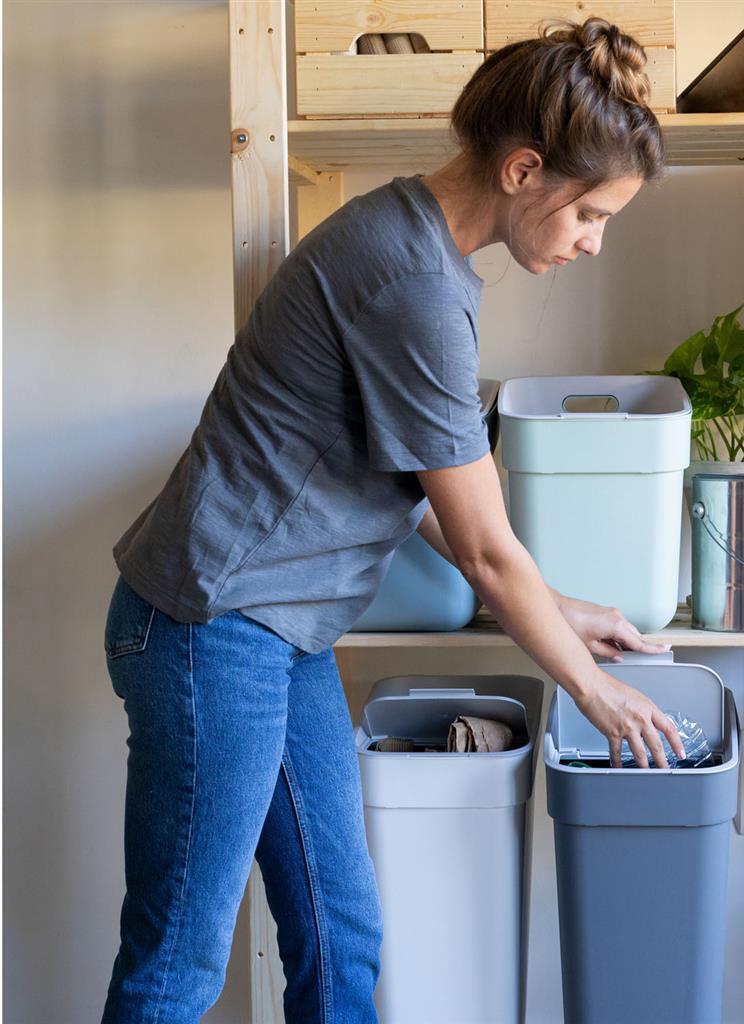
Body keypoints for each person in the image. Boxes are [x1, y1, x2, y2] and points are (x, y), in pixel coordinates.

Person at [101, 17, 683, 1024]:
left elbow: (431, 490)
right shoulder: (408, 278)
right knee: (179, 960)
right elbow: (482, 549)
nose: (591, 241)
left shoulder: (418, 248)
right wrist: (591, 689)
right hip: (209, 628)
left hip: (277, 631)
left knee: (339, 932)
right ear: (522, 170)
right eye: (589, 211)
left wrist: (559, 603)